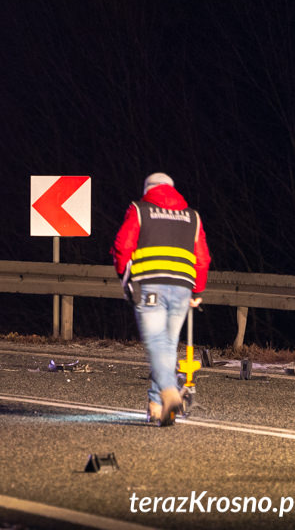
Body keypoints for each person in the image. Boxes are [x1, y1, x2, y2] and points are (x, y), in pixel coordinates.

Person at [111, 172, 211, 426]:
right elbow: (202, 258)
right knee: (167, 345)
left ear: (148, 188)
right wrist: (197, 291)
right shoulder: (193, 216)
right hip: (182, 288)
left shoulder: (139, 209)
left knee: (156, 341)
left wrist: (126, 280)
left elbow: (123, 246)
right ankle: (156, 406)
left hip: (150, 284)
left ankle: (169, 391)